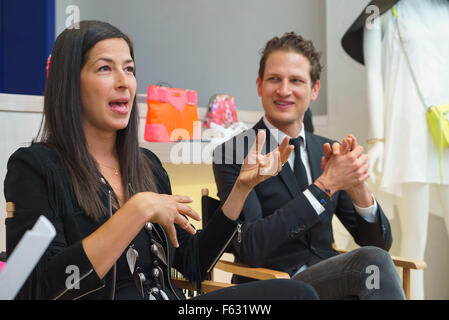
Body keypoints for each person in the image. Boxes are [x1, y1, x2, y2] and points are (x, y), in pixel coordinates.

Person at [3, 21, 319, 300]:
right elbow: (43, 288)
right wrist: (137, 211)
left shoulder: (147, 166)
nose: (123, 81)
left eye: (129, 69)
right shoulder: (35, 168)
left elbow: (194, 263)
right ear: (70, 82)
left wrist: (240, 190)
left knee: (297, 293)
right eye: (104, 68)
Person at [213, 32, 405, 299]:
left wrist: (357, 186)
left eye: (296, 81)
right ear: (259, 86)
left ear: (314, 89)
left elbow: (378, 243)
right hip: (274, 286)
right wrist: (325, 186)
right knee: (371, 263)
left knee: (375, 263)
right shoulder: (233, 152)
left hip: (331, 284)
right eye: (274, 79)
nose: (284, 90)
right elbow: (251, 247)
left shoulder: (327, 150)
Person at [343, 0, 449, 300]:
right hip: (411, 135)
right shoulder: (382, 10)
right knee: (415, 241)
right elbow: (373, 76)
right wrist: (378, 140)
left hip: (446, 134)